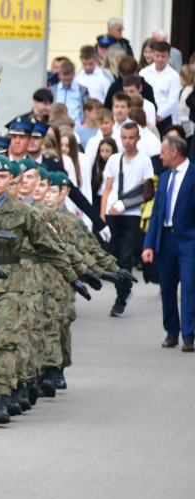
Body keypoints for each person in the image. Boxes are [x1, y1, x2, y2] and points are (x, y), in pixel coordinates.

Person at [0, 156, 91, 424]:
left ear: (10, 181)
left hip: (10, 283)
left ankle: (2, 399)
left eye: (3, 177)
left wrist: (72, 275)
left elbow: (48, 246)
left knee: (5, 341)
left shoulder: (23, 211)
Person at [143, 135, 195, 351]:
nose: (160, 156)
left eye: (163, 152)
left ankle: (189, 335)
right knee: (167, 287)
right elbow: (155, 213)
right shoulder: (164, 178)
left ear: (174, 152)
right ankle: (171, 331)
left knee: (189, 285)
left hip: (188, 240)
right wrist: (148, 244)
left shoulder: (193, 175)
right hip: (165, 239)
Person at [101, 122, 155, 317]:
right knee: (112, 256)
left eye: (131, 137)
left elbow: (147, 191)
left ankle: (121, 298)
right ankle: (122, 290)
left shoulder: (144, 161)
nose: (127, 141)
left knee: (125, 257)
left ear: (138, 138)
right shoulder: (114, 160)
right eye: (124, 137)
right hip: (112, 214)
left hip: (131, 215)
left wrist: (125, 205)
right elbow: (107, 188)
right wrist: (102, 214)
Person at [140, 41, 181, 136]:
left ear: (169, 57)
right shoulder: (144, 73)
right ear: (153, 55)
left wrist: (158, 116)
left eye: (163, 56)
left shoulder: (173, 76)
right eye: (157, 56)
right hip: (146, 115)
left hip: (164, 118)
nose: (159, 59)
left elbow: (173, 101)